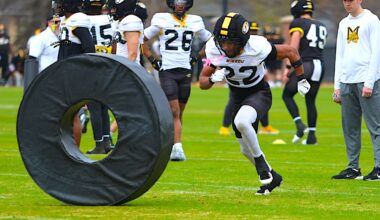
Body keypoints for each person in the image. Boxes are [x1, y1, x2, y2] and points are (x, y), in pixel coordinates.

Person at [199, 12, 310, 195]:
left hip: (258, 92)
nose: (225, 47)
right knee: (244, 150)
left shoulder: (257, 47)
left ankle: (261, 165)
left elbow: (291, 51)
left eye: (230, 42)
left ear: (242, 40)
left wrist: (301, 78)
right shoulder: (215, 49)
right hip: (236, 96)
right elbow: (203, 81)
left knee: (242, 122)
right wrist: (212, 79)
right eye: (222, 42)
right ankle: (273, 176)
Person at [143, 0, 212, 161]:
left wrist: (197, 56)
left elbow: (211, 40)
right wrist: (152, 60)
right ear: (172, 3)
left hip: (185, 70)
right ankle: (177, 148)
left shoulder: (195, 20)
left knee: (179, 112)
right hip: (167, 70)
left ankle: (173, 145)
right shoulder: (162, 19)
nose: (180, 4)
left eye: (183, 1)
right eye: (177, 1)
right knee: (173, 111)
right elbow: (142, 38)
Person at [332, 0, 380, 180]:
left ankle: (379, 167)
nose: (347, 3)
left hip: (366, 81)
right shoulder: (343, 23)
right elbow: (340, 55)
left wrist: (369, 82)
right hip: (347, 82)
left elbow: (377, 52)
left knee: (375, 126)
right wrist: (337, 86)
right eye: (344, 0)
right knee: (350, 128)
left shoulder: (371, 20)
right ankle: (353, 168)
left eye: (350, 0)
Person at [219, 21, 280, 136]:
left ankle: (265, 126)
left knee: (260, 102)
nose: (253, 33)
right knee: (233, 101)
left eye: (255, 31)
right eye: (251, 31)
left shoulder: (257, 44)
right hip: (238, 80)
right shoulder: (238, 44)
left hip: (253, 78)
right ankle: (225, 126)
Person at [282, 0, 327, 145]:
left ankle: (299, 125)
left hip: (306, 64)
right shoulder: (321, 25)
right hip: (319, 65)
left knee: (287, 95)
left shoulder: (298, 23)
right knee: (310, 100)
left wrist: (288, 68)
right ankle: (312, 137)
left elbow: (293, 49)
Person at [55, 0, 96, 147]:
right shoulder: (67, 20)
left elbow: (89, 49)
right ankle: (66, 149)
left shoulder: (79, 19)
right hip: (64, 72)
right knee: (63, 114)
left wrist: (82, 73)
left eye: (60, 3)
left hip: (74, 74)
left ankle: (75, 151)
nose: (58, 6)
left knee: (73, 115)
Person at [107, 0, 148, 139]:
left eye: (115, 6)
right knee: (127, 109)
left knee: (129, 109)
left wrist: (125, 72)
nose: (112, 9)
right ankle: (110, 134)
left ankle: (112, 135)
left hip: (129, 71)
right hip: (123, 69)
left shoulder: (131, 20)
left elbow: (132, 52)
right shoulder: (122, 21)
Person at [82, 0, 114, 154]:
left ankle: (99, 144)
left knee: (94, 106)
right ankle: (107, 140)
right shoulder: (109, 20)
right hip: (108, 65)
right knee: (103, 106)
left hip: (92, 65)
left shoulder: (83, 20)